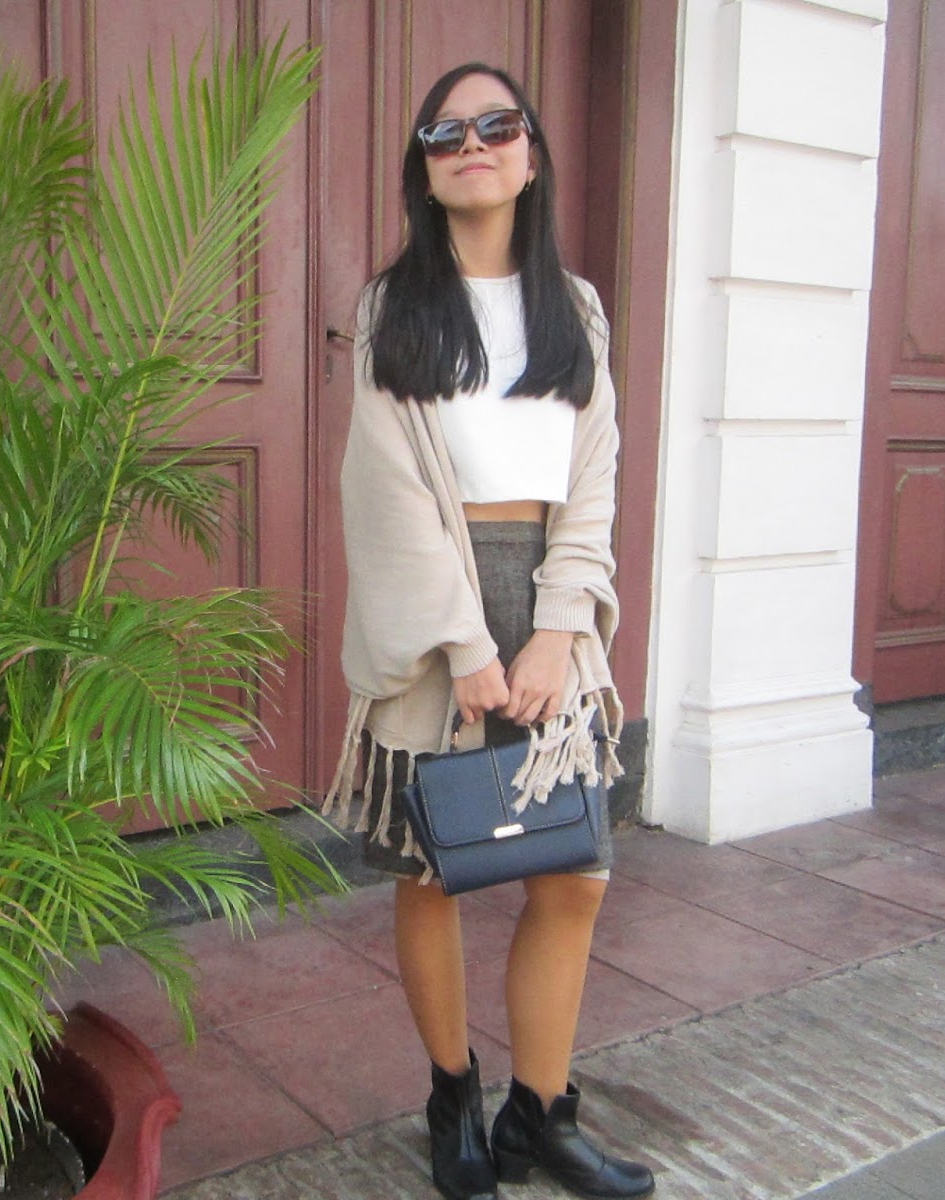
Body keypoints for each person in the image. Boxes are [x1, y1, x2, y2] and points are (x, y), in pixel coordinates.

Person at [324, 63, 655, 1200]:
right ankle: (453, 1092)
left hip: (550, 602)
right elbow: (384, 485)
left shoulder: (578, 308)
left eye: (496, 125)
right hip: (438, 609)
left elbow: (596, 475)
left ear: (529, 155)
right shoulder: (394, 306)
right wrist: (463, 645)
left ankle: (541, 1114)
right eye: (446, 132)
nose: (472, 144)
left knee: (574, 874)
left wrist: (558, 627)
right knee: (436, 866)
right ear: (423, 168)